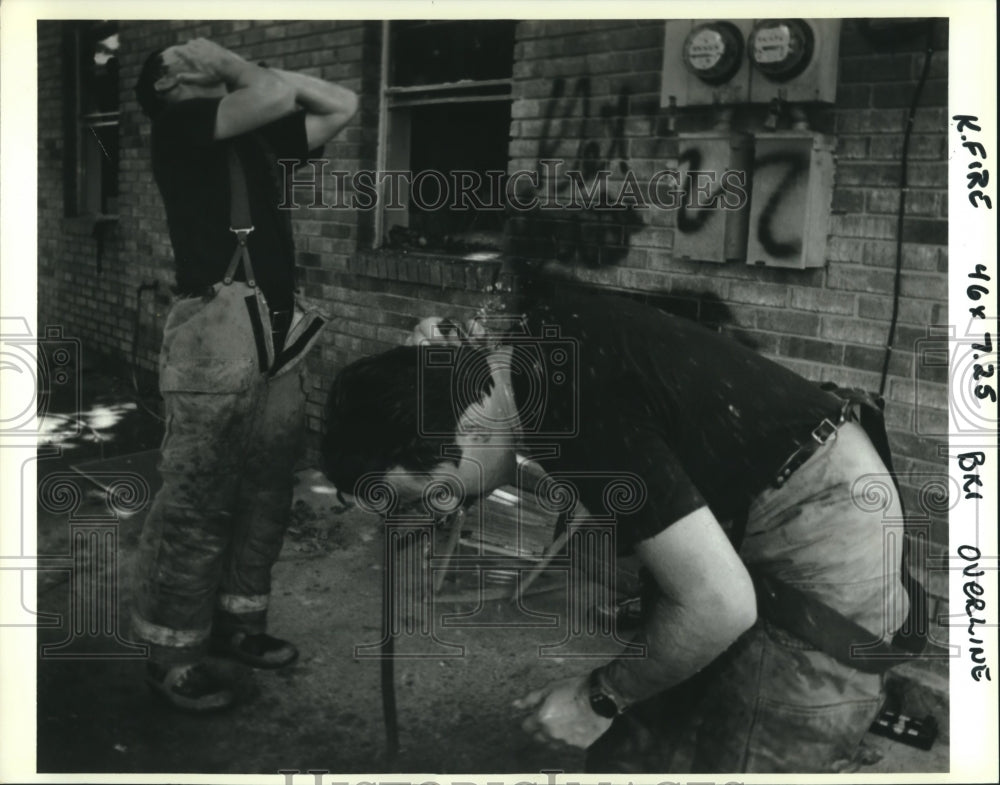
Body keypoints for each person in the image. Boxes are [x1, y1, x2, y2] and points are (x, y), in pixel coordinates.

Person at [321, 288, 910, 773]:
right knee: (655, 735)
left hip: (826, 518)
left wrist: (594, 698)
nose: (445, 511)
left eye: (434, 495)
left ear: (467, 428)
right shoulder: (528, 353)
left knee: (763, 750)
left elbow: (718, 603)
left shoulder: (573, 409)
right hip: (751, 499)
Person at [131, 38, 357, 712]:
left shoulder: (253, 133)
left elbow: (341, 102)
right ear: (169, 85)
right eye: (183, 58)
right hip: (215, 328)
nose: (201, 55)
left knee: (267, 489)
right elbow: (275, 94)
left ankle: (239, 625)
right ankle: (172, 653)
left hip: (276, 330)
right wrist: (228, 65)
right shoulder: (179, 124)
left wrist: (232, 68)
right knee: (200, 498)